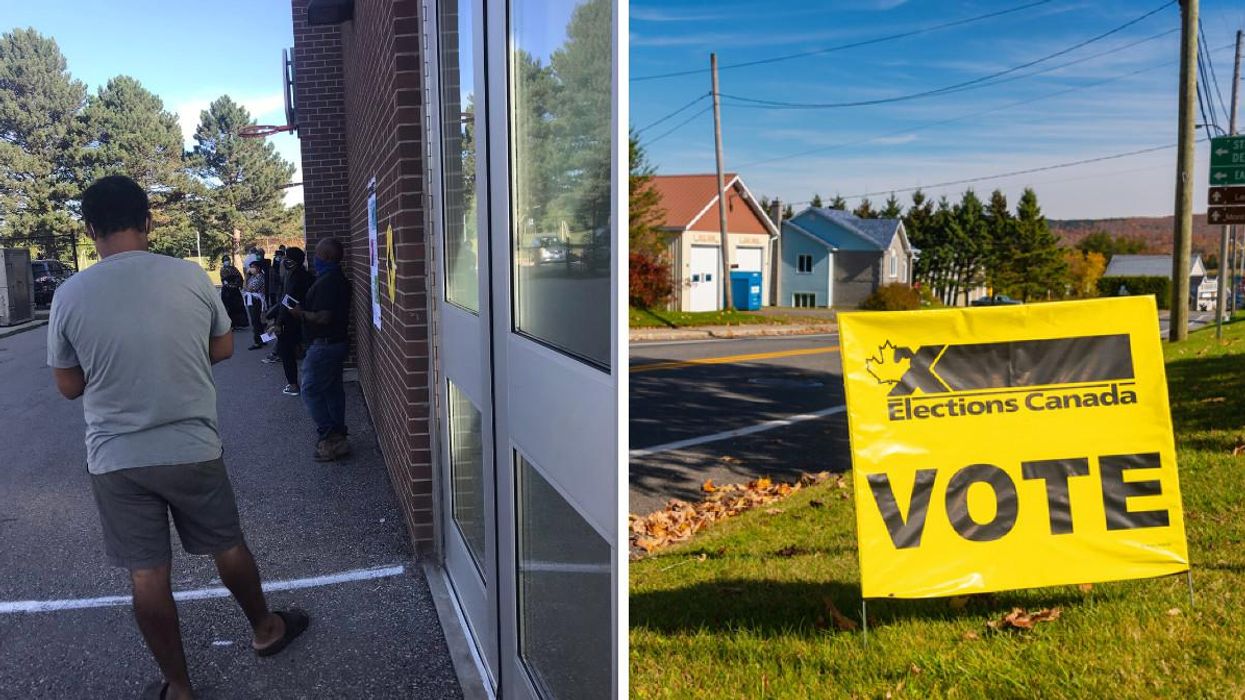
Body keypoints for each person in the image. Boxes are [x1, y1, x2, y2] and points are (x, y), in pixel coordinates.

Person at [47, 175, 308, 700]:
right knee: (227, 545)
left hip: (117, 457)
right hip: (191, 446)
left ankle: (180, 688)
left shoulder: (70, 293)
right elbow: (224, 349)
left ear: (90, 228)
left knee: (147, 574)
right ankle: (264, 629)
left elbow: (68, 386)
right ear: (147, 221)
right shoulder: (189, 278)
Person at [289, 238, 351, 462]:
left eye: (316, 254)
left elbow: (324, 317)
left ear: (325, 257)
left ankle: (329, 435)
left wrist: (301, 313)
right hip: (336, 344)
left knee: (310, 390)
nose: (313, 258)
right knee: (333, 390)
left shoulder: (329, 282)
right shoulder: (337, 279)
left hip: (325, 346)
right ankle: (339, 437)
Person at [270, 247, 312, 395]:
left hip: (291, 320)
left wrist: (278, 322)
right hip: (302, 318)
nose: (282, 261)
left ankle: (293, 384)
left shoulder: (294, 277)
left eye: (286, 258)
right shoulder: (304, 275)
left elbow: (287, 302)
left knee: (286, 351)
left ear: (291, 261)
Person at [243, 260, 268, 350]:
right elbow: (244, 287)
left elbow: (250, 288)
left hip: (256, 301)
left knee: (256, 321)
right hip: (252, 300)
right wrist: (247, 278)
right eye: (251, 267)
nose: (251, 269)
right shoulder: (252, 277)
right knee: (258, 321)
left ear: (258, 268)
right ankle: (263, 339)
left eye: (253, 267)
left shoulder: (260, 277)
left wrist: (246, 279)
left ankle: (257, 342)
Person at [218, 257, 248, 329]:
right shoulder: (222, 270)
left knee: (238, 307)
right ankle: (230, 325)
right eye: (225, 261)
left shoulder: (233, 268)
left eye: (228, 260)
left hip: (235, 291)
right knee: (228, 308)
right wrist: (230, 285)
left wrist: (237, 284)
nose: (227, 262)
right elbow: (224, 280)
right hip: (227, 292)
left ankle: (239, 323)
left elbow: (239, 277)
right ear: (223, 262)